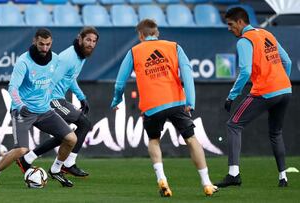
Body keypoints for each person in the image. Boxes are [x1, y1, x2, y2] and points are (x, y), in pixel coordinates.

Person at [110, 19, 218, 197]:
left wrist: (116, 100)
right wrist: (190, 101)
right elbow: (187, 74)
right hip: (176, 102)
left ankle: (162, 179)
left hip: (151, 106)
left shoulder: (134, 51)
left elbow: (120, 83)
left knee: (154, 140)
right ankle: (206, 183)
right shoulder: (174, 47)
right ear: (157, 32)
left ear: (140, 35)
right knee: (191, 139)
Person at [0, 28, 77, 187]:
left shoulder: (55, 59)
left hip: (44, 110)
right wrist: (20, 105)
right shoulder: (23, 61)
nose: (45, 48)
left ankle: (55, 169)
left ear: (51, 43)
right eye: (41, 44)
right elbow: (12, 87)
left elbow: (68, 78)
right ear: (34, 41)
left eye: (48, 44)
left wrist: (80, 96)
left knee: (71, 139)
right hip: (23, 111)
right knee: (21, 150)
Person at [215, 7, 292, 188]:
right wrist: (282, 83)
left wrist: (231, 96)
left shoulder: (244, 41)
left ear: (241, 22)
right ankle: (283, 177)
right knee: (276, 133)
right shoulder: (266, 34)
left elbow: (246, 70)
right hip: (285, 90)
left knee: (233, 125)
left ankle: (234, 174)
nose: (229, 28)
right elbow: (286, 60)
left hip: (265, 91)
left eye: (231, 24)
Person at [16, 27, 99, 178]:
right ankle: (67, 164)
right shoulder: (69, 57)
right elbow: (51, 80)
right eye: (88, 40)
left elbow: (70, 78)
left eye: (94, 41)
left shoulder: (80, 56)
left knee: (66, 135)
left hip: (57, 98)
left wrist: (81, 97)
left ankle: (28, 159)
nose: (91, 44)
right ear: (80, 39)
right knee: (84, 123)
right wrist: (45, 102)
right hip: (53, 99)